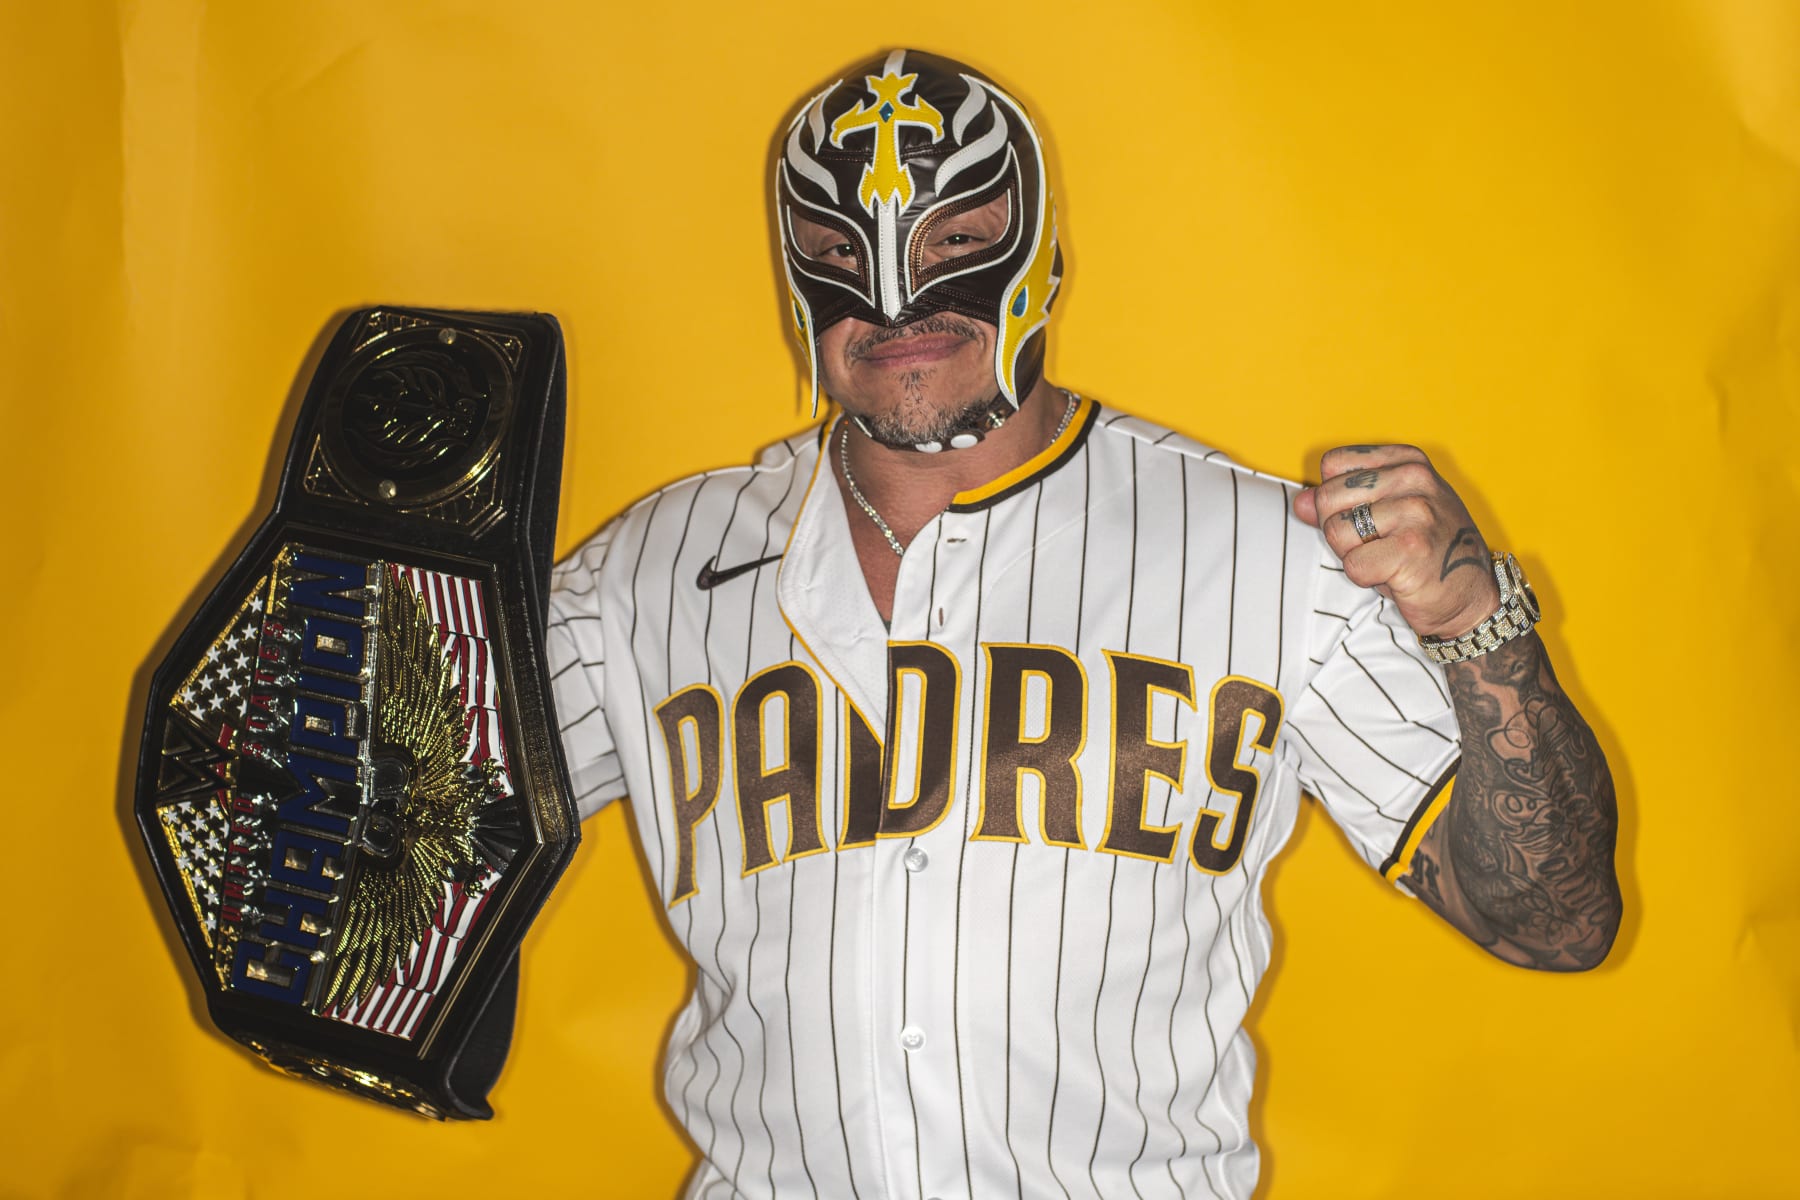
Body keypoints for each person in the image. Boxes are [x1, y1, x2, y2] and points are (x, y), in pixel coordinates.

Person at [546, 48, 1620, 1200]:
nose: (900, 300)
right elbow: (394, 845)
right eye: (836, 256)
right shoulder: (643, 572)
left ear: (1040, 255)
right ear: (792, 277)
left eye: (956, 243)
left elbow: (1552, 922)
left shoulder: (1265, 553)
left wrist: (1472, 618)